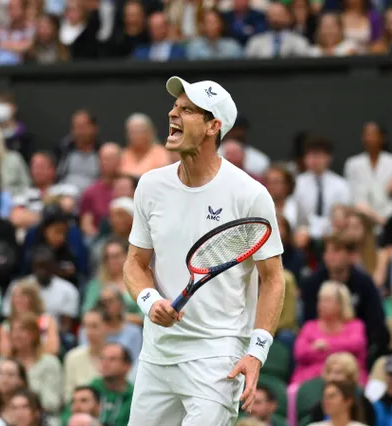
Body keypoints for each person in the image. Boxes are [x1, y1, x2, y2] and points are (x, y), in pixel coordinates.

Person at [123, 76, 285, 424]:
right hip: (157, 354)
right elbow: (135, 263)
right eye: (174, 107)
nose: (173, 115)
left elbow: (273, 279)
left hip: (217, 357)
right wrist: (150, 302)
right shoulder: (150, 186)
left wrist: (256, 352)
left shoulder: (249, 194)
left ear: (214, 126)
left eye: (187, 110)